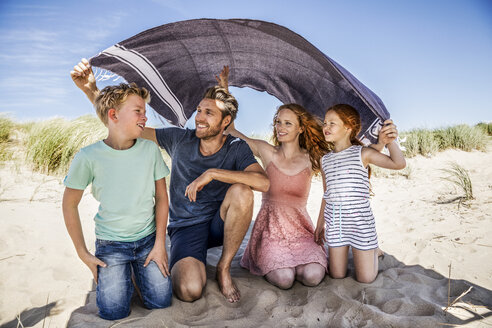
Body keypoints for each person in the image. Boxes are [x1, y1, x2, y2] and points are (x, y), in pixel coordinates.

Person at [70, 59, 270, 303]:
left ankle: (223, 268)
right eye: (198, 110)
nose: (199, 117)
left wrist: (212, 174)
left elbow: (263, 183)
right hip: (186, 228)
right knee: (189, 290)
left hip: (221, 223)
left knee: (243, 192)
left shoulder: (236, 147)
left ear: (225, 122)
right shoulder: (180, 139)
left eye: (209, 113)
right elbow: (131, 126)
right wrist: (91, 90)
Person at [62, 83, 172, 320]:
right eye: (138, 111)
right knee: (113, 311)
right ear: (113, 115)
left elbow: (162, 197)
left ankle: (134, 273)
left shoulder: (150, 150)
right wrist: (83, 253)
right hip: (111, 246)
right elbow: (69, 203)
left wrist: (160, 244)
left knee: (161, 302)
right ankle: (126, 273)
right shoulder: (88, 156)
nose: (145, 117)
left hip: (148, 240)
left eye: (145, 111)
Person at [225, 103, 330, 289]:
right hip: (269, 233)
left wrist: (321, 222)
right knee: (285, 279)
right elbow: (232, 131)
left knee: (312, 276)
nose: (280, 128)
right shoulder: (267, 151)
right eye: (278, 122)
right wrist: (224, 93)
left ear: (301, 128)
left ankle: (296, 263)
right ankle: (280, 263)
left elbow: (328, 191)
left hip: (301, 232)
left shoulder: (312, 158)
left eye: (288, 123)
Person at [314, 104, 406, 284]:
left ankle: (374, 250)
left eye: (332, 123)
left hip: (360, 224)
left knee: (365, 278)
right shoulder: (325, 160)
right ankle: (367, 250)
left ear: (348, 128)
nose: (326, 127)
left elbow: (398, 164)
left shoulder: (363, 153)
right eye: (325, 123)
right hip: (336, 224)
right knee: (337, 275)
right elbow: (327, 195)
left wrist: (389, 141)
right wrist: (320, 225)